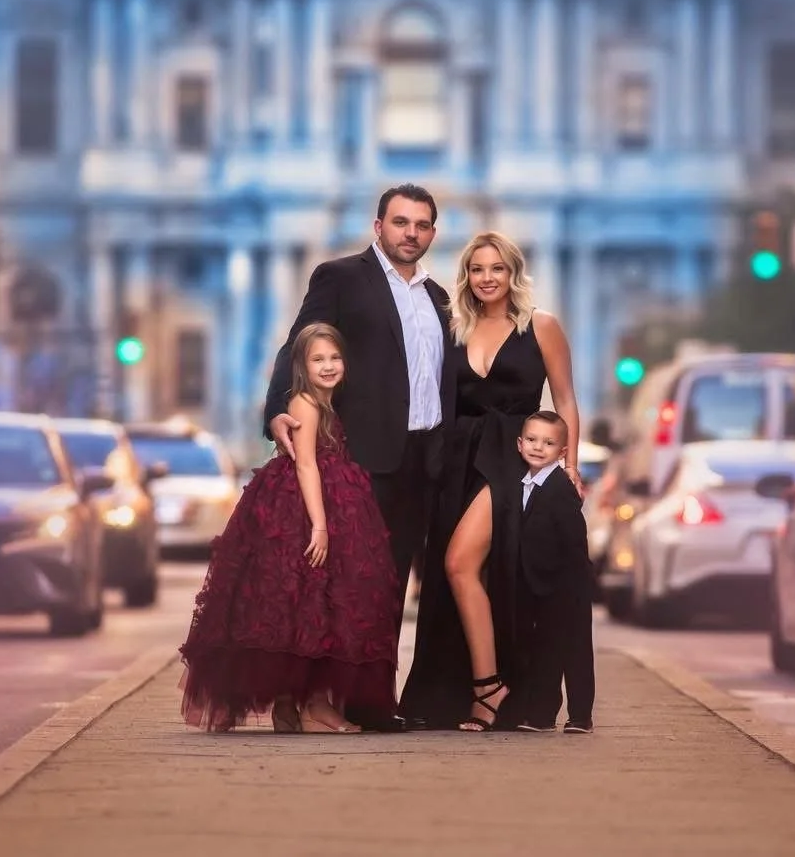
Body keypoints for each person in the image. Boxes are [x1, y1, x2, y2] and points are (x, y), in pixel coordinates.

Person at [263, 184, 453, 731]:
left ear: (432, 233)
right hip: (362, 457)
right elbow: (299, 344)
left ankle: (370, 698)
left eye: (421, 225)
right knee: (348, 583)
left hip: (423, 459)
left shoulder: (440, 298)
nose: (410, 233)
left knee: (390, 587)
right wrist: (277, 409)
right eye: (400, 222)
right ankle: (324, 697)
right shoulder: (342, 277)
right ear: (378, 227)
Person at [398, 231, 582, 732]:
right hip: (456, 461)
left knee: (460, 563)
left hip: (514, 461)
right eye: (477, 269)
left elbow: (565, 401)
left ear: (513, 273)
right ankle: (456, 691)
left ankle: (490, 688)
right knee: (467, 573)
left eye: (496, 268)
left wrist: (568, 467)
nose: (486, 278)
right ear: (466, 276)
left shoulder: (541, 326)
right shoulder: (453, 326)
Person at [179, 323, 401, 734]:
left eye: (335, 358)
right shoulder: (305, 403)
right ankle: (313, 706)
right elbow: (306, 464)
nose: (328, 366)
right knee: (303, 599)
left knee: (308, 603)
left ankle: (292, 706)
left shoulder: (329, 402)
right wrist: (320, 525)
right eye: (318, 359)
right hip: (302, 507)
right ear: (302, 365)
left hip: (328, 500)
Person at [511, 411, 595, 735]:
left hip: (567, 584)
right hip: (538, 584)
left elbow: (574, 539)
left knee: (575, 651)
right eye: (532, 440)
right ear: (520, 444)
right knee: (544, 649)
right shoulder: (522, 484)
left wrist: (577, 583)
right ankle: (542, 714)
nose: (538, 447)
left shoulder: (561, 488)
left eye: (548, 443)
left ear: (562, 452)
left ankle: (581, 715)